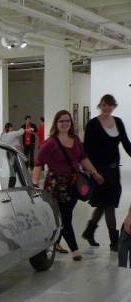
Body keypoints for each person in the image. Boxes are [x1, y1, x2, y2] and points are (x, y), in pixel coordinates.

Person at [32, 110, 103, 261]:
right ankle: (75, 249)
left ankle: (55, 242)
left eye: (67, 121)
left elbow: (83, 158)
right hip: (56, 185)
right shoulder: (50, 143)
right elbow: (38, 163)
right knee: (65, 217)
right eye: (61, 121)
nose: (65, 124)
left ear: (71, 123)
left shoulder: (75, 139)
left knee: (64, 215)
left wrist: (95, 173)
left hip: (73, 184)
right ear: (56, 124)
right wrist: (35, 183)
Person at [81, 94, 131, 251]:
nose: (107, 108)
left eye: (110, 105)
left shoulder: (118, 122)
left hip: (114, 169)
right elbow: (86, 150)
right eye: (104, 105)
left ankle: (90, 231)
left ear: (113, 106)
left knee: (105, 204)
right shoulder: (93, 124)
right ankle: (114, 242)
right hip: (99, 171)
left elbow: (126, 143)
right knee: (108, 205)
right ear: (100, 106)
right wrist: (91, 171)